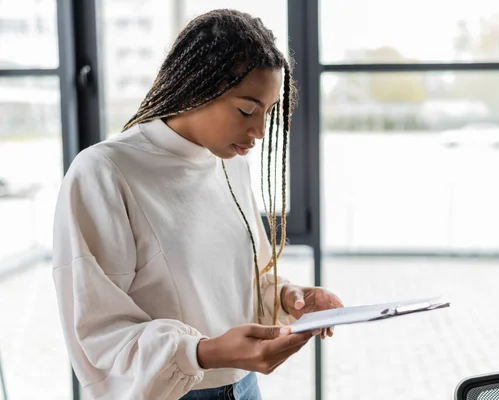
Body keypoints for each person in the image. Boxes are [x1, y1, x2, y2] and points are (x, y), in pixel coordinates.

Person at [52, 9, 343, 400]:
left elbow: (239, 281)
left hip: (244, 386)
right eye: (246, 109)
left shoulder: (228, 162)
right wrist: (203, 353)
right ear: (195, 87)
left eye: (269, 112)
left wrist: (290, 297)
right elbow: (98, 334)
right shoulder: (104, 172)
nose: (258, 131)